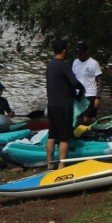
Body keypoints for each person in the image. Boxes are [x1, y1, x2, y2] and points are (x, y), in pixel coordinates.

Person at [45, 39, 86, 169]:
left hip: (51, 105)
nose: (68, 51)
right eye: (67, 48)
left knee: (52, 135)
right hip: (64, 106)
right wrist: (81, 88)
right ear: (63, 50)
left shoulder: (50, 65)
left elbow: (61, 84)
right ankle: (62, 165)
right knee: (65, 137)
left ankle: (50, 164)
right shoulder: (63, 64)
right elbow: (74, 83)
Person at [72, 42, 103, 124]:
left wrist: (98, 98)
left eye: (81, 54)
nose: (79, 56)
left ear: (87, 52)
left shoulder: (94, 63)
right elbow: (72, 78)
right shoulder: (75, 62)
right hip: (79, 95)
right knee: (77, 116)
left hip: (90, 94)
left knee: (86, 118)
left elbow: (99, 81)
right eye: (78, 54)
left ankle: (92, 132)